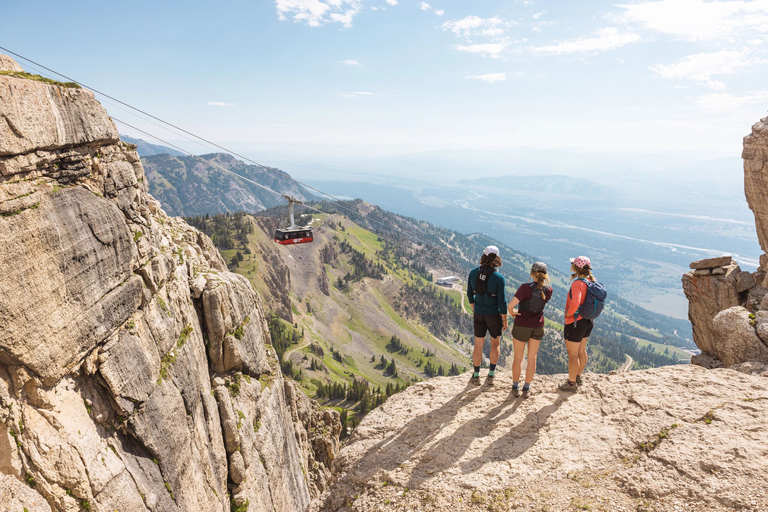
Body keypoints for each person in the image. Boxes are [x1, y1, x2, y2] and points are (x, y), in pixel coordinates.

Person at [508, 262, 552, 397]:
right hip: (537, 326)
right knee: (532, 357)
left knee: (518, 357)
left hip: (522, 324)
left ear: (532, 273)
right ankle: (526, 388)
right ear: (545, 275)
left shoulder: (525, 288)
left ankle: (515, 386)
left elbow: (511, 305)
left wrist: (512, 312)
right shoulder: (548, 290)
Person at [466, 245, 508, 386]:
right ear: (497, 259)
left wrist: (475, 308)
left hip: (478, 314)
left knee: (478, 344)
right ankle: (491, 374)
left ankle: (476, 374)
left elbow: (469, 294)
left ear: (483, 256)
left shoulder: (473, 273)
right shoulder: (498, 278)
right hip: (493, 315)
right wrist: (504, 318)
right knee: (495, 344)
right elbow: (502, 301)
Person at [559, 256, 596, 392]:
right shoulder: (590, 281)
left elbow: (576, 301)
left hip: (575, 322)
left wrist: (569, 313)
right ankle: (578, 376)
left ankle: (571, 384)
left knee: (573, 355)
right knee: (582, 350)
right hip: (587, 321)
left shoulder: (577, 283)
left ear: (576, 267)